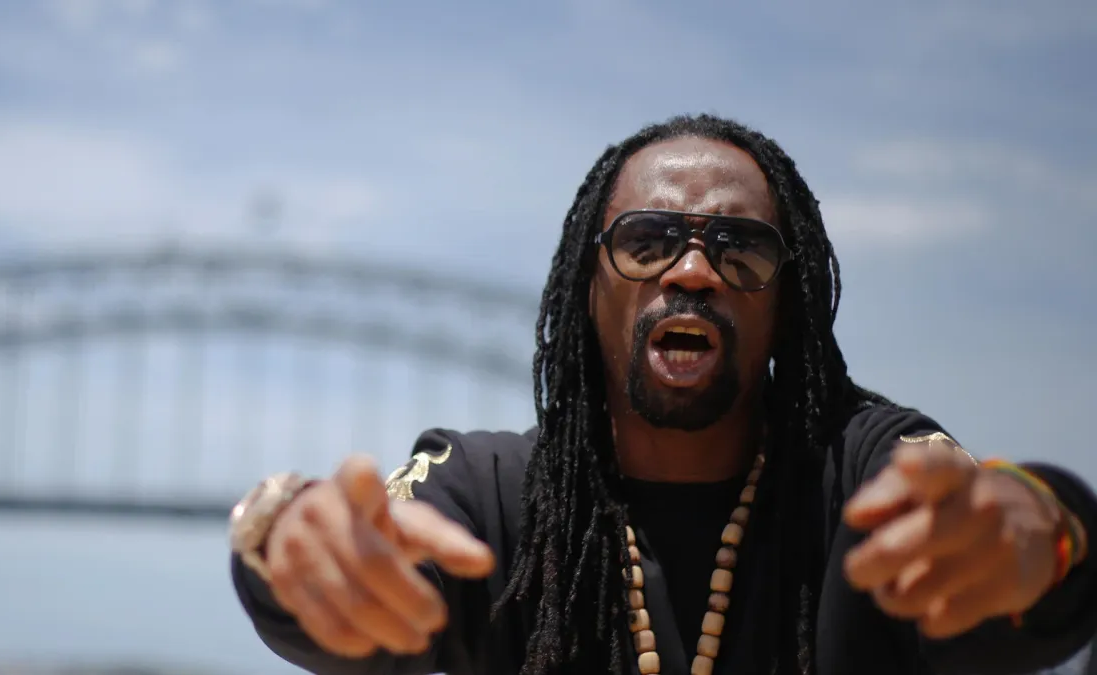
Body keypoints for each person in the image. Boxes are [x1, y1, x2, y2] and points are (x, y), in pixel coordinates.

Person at [227, 114, 1097, 675]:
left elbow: (1009, 543)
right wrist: (286, 543)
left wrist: (1046, 532)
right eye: (647, 241)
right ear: (588, 286)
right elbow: (353, 580)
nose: (692, 270)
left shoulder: (864, 478)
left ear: (785, 304)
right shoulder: (490, 492)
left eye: (740, 248)